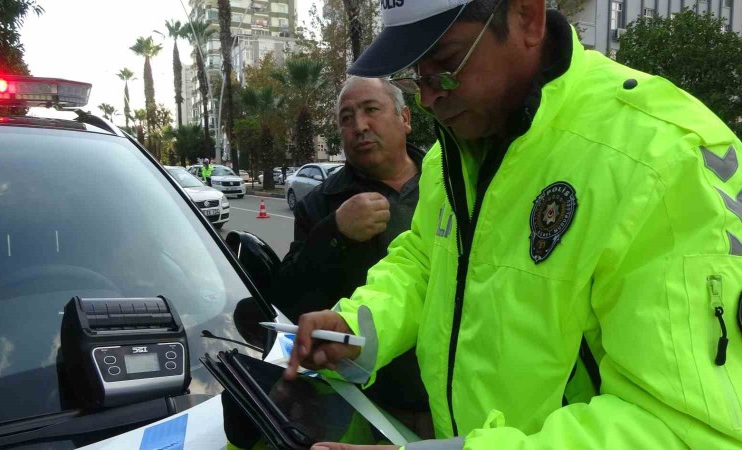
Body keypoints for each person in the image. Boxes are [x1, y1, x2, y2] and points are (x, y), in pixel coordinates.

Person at [285, 0, 742, 449]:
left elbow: (682, 429)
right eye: (416, 73)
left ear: (526, 17)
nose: (426, 97)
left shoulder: (660, 156)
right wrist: (358, 328)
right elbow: (426, 260)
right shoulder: (454, 151)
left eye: (445, 63)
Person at [271, 76, 431, 435]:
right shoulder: (322, 204)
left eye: (371, 110)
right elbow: (289, 300)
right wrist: (334, 232)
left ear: (405, 118)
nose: (359, 126)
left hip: (457, 399)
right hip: (370, 407)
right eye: (346, 118)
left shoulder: (449, 182)